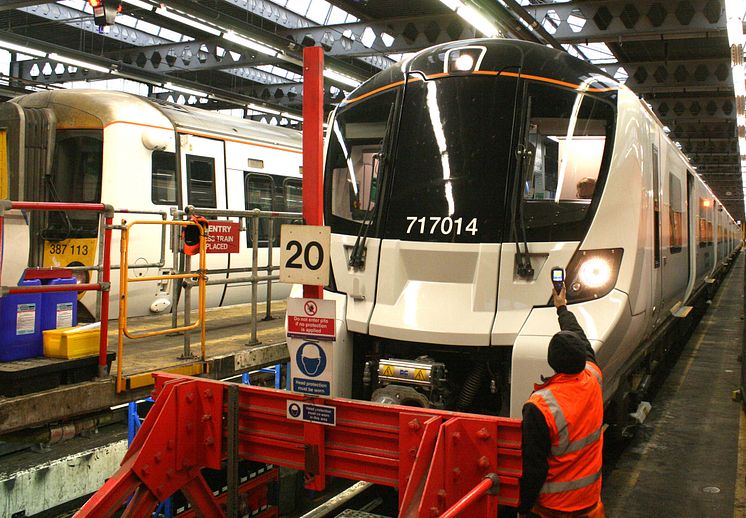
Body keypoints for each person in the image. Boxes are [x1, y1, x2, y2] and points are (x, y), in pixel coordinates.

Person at [517, 285, 605, 518]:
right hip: (590, 503)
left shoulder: (541, 407)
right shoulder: (593, 377)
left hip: (553, 510)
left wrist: (522, 509)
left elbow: (534, 468)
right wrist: (562, 308)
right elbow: (581, 337)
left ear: (552, 361)